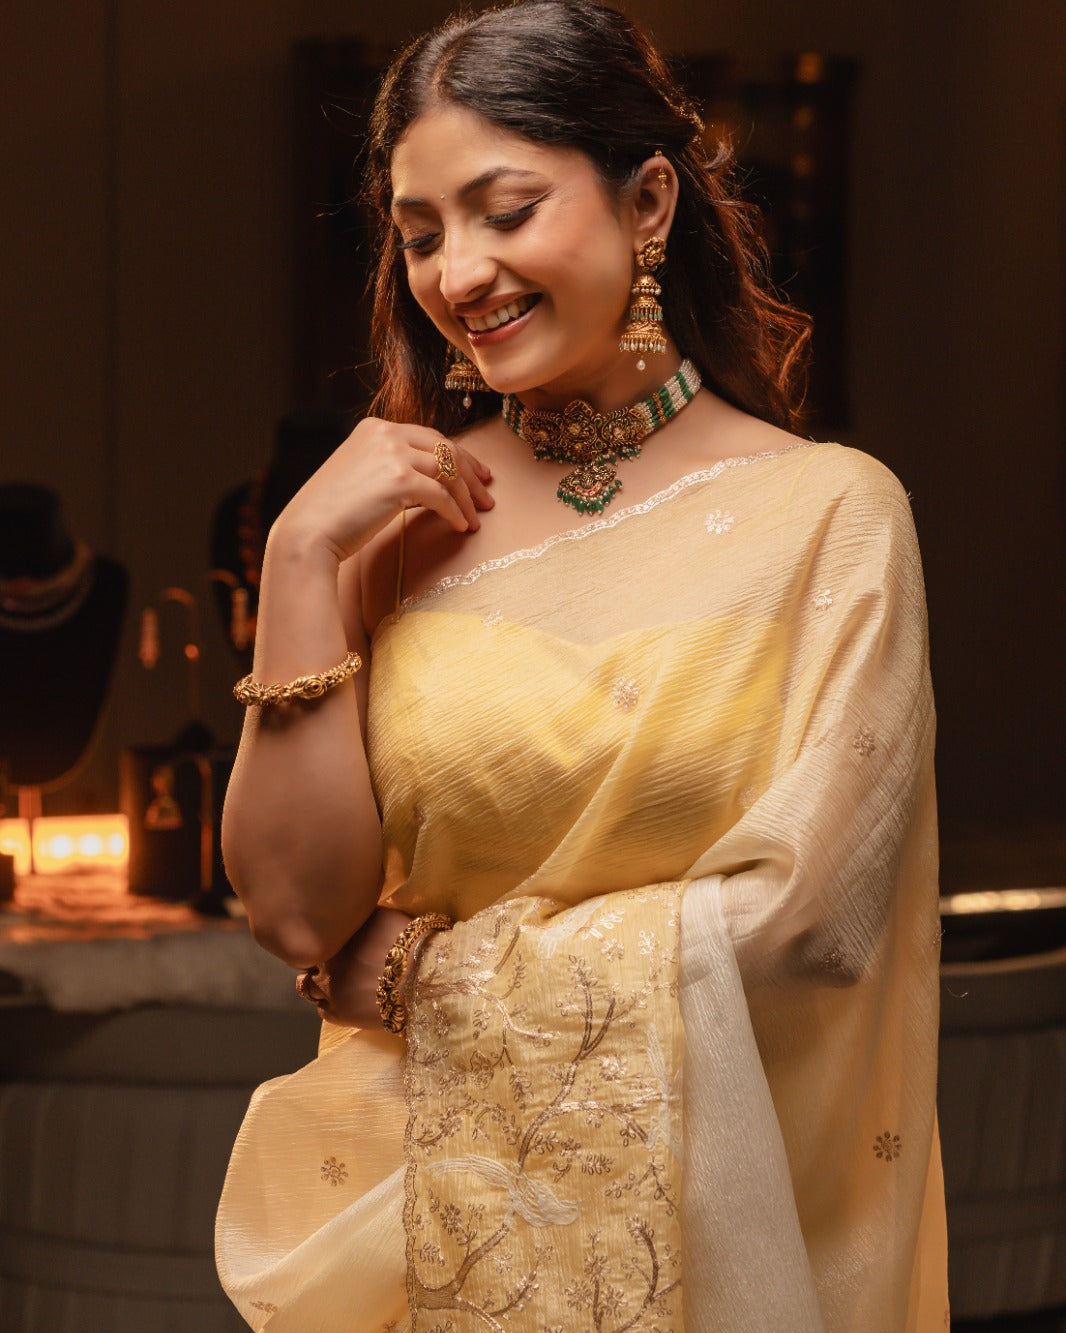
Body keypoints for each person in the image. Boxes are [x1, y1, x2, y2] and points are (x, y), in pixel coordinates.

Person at [216, 3, 948, 1329]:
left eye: (505, 210)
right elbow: (289, 912)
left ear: (647, 200)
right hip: (402, 1237)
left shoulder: (828, 515)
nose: (458, 272)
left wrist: (413, 975)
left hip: (714, 1249)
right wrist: (296, 561)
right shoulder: (391, 525)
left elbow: (810, 919)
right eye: (421, 230)